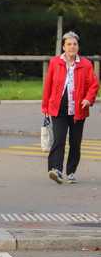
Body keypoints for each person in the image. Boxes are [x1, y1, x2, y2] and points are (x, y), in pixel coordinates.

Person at [42, 31, 99, 184]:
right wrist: (45, 106)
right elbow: (49, 84)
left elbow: (93, 84)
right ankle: (56, 170)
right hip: (58, 108)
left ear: (78, 46)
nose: (72, 47)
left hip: (78, 109)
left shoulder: (86, 64)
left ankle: (71, 172)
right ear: (64, 47)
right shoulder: (55, 62)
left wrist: (88, 99)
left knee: (75, 142)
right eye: (69, 44)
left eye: (74, 44)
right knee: (59, 140)